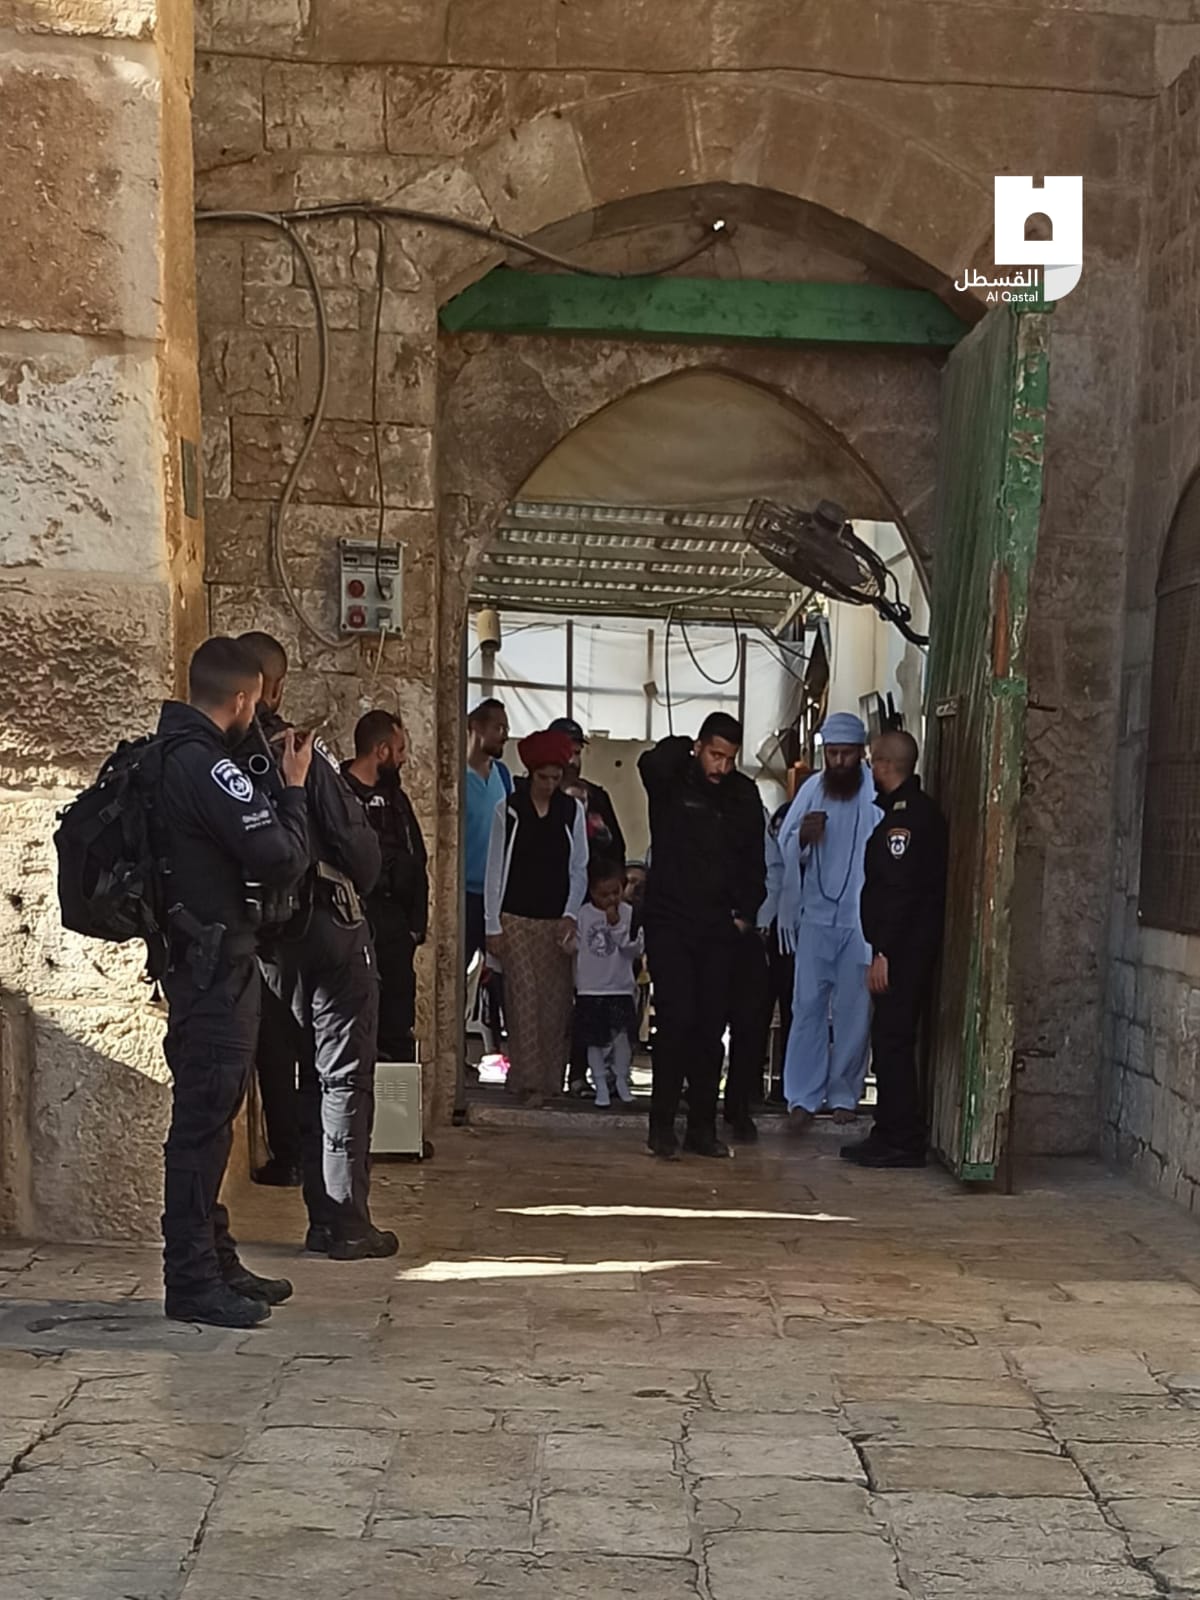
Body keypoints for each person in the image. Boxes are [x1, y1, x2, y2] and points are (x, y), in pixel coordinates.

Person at [155, 636, 312, 1328]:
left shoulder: (170, 755)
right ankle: (190, 1278)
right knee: (202, 1126)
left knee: (209, 1121)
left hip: (195, 962)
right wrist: (296, 791)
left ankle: (213, 1257)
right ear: (244, 698)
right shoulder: (207, 766)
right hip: (214, 968)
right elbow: (279, 857)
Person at [237, 632, 393, 1261]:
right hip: (329, 931)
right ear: (274, 688)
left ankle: (321, 1213)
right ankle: (343, 1222)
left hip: (269, 946)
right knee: (344, 1078)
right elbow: (359, 850)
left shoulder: (216, 762)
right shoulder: (295, 751)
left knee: (303, 1074)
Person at [638, 713, 766, 1160]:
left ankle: (701, 1128)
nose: (722, 767)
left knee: (711, 1028)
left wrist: (744, 916)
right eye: (715, 755)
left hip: (718, 926)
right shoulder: (673, 780)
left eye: (730, 758)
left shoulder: (742, 795)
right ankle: (661, 1125)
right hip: (671, 921)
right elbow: (648, 764)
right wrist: (683, 746)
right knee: (676, 1021)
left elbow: (754, 861)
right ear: (700, 747)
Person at [842, 731, 948, 1168]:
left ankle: (901, 1137)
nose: (870, 770)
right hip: (906, 947)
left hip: (903, 951)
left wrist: (883, 950)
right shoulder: (910, 813)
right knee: (891, 1040)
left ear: (883, 764)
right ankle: (889, 1129)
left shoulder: (905, 820)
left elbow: (900, 890)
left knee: (893, 1041)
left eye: (872, 762)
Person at [777, 712, 881, 1134]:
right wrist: (803, 837)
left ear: (861, 754)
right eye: (832, 754)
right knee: (807, 1008)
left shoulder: (874, 791)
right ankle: (801, 1096)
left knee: (855, 1011)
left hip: (860, 921)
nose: (838, 762)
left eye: (846, 754)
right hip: (816, 918)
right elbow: (783, 843)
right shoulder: (811, 790)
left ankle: (843, 1095)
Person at [484, 729, 587, 1106]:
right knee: (522, 998)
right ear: (530, 774)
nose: (549, 784)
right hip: (515, 918)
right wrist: (492, 923)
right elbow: (496, 867)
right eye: (543, 778)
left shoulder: (570, 810)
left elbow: (580, 867)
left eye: (555, 778)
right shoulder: (508, 809)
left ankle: (548, 1082)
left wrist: (570, 913)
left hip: (554, 921)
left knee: (554, 1002)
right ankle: (526, 1083)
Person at [343, 710, 428, 1061]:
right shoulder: (336, 793)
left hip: (394, 926)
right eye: (400, 749)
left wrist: (415, 927)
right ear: (381, 751)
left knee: (395, 1025)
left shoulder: (397, 801)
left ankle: (397, 1114)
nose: (404, 758)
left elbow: (417, 860)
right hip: (349, 921)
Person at [722, 802, 784, 1144]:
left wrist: (758, 923)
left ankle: (739, 1105)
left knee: (750, 1023)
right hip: (701, 930)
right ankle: (698, 1104)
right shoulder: (683, 803)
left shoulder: (749, 809)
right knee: (699, 1022)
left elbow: (773, 869)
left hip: (747, 930)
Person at [575, 858, 644, 1108]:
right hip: (590, 989)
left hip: (620, 987)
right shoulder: (583, 915)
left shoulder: (629, 914)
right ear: (592, 892)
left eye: (616, 892)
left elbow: (634, 949)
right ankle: (600, 1083)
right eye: (604, 895)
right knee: (595, 1040)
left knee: (621, 1039)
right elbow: (575, 945)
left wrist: (616, 926)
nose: (611, 900)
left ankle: (622, 1079)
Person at [465, 698, 513, 971]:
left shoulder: (503, 776)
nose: (505, 736)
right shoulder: (455, 778)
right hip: (464, 894)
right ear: (475, 727)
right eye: (498, 728)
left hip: (496, 896)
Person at [550, 716, 626, 865]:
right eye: (567, 753)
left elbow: (617, 850)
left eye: (577, 753)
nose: (573, 762)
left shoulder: (597, 797)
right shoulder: (538, 796)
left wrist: (602, 835)